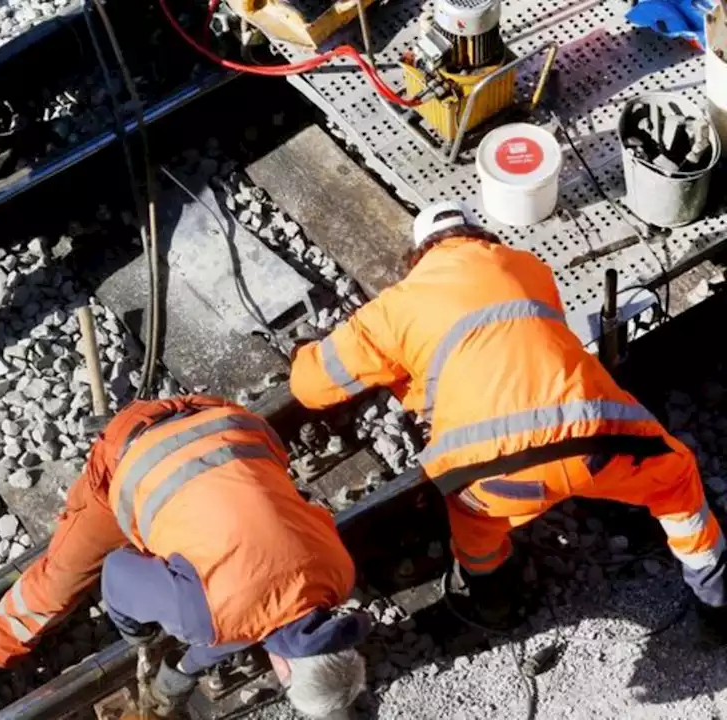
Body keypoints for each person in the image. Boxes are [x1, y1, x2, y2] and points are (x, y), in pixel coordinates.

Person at [288, 200, 727, 627]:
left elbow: (310, 387)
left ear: (418, 256)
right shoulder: (527, 266)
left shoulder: (396, 306)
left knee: (476, 526)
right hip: (600, 437)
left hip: (492, 468)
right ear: (480, 236)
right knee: (676, 483)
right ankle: (716, 602)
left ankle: (493, 596)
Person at [0, 396, 370, 719]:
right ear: (283, 670)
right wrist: (139, 636)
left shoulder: (341, 573)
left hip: (230, 424)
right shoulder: (207, 619)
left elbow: (267, 598)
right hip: (133, 453)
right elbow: (115, 575)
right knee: (63, 575)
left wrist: (191, 663)